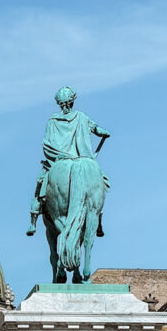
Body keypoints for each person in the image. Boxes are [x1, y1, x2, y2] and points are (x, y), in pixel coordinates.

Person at [27, 86, 110, 236]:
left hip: (58, 159)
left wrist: (59, 154)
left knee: (40, 185)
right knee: (100, 183)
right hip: (80, 158)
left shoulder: (53, 120)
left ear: (60, 103)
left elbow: (47, 143)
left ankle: (33, 220)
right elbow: (97, 129)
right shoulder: (81, 117)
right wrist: (104, 133)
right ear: (72, 102)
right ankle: (98, 220)